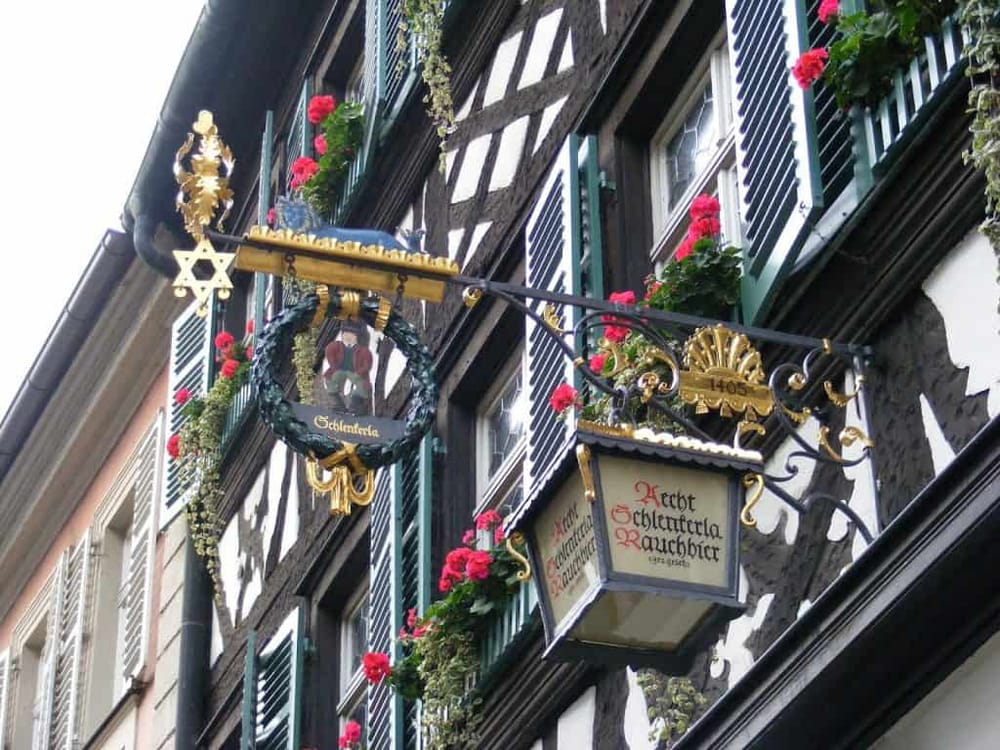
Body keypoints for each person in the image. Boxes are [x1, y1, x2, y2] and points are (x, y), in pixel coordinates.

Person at [323, 321, 373, 415]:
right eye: (345, 334)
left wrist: (360, 371)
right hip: (340, 370)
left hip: (354, 372)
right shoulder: (337, 346)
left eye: (351, 335)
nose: (348, 337)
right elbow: (329, 350)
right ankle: (338, 404)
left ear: (356, 337)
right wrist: (334, 365)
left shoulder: (362, 350)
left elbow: (367, 363)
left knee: (362, 385)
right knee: (330, 380)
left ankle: (355, 404)